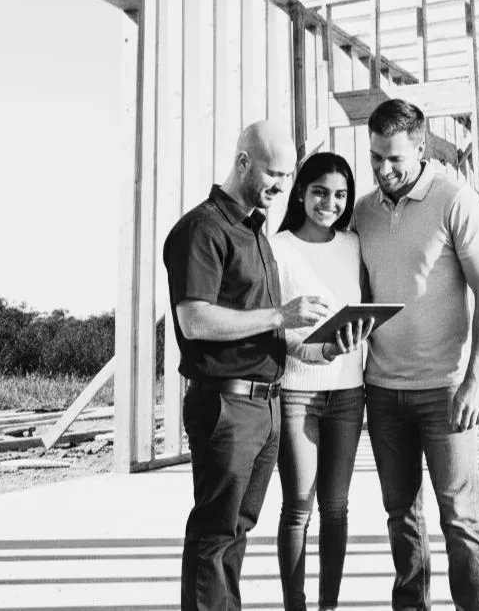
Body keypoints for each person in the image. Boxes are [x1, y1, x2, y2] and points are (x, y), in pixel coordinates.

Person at [163, 121, 332, 611]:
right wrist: (282, 314)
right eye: (274, 174)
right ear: (242, 162)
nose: (283, 187)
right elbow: (195, 320)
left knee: (236, 529)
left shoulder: (254, 230)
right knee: (216, 533)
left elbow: (259, 324)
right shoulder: (203, 229)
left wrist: (310, 348)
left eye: (287, 176)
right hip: (227, 404)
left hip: (265, 404)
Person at [354, 99, 479, 611]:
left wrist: (474, 382)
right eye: (375, 157)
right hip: (384, 390)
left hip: (445, 390)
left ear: (420, 146)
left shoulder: (456, 200)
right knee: (401, 516)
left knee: (460, 517)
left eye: (393, 158)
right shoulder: (364, 212)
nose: (383, 169)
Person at [270, 152, 372, 611]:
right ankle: (297, 606)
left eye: (340, 195)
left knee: (336, 507)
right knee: (298, 509)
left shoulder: (352, 245)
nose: (330, 203)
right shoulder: (277, 247)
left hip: (349, 393)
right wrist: (318, 350)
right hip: (296, 393)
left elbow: (365, 304)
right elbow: (274, 330)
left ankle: (328, 606)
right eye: (320, 192)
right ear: (300, 193)